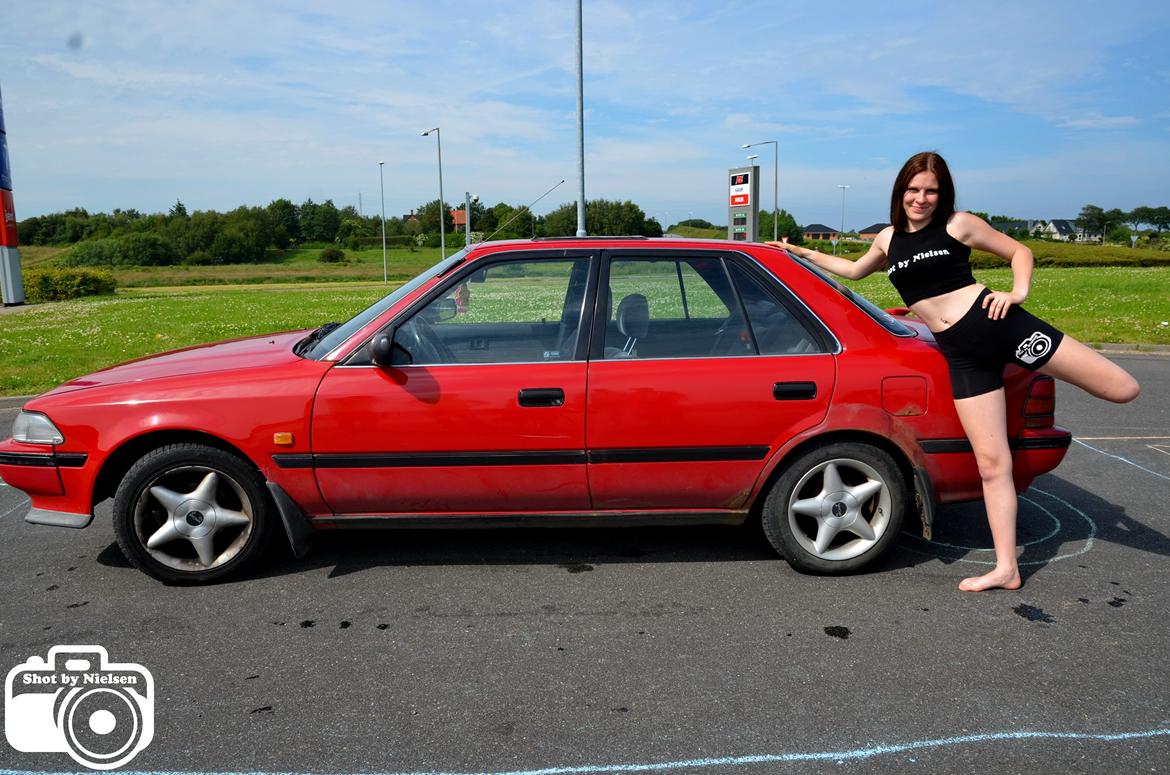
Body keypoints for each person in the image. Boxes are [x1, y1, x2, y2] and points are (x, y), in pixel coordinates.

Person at [767, 151, 1140, 592]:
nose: (921, 198)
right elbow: (854, 270)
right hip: (962, 357)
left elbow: (1019, 250)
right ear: (900, 191)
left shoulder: (959, 225)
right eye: (914, 189)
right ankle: (1007, 568)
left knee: (1123, 389)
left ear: (942, 195)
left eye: (930, 190)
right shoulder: (888, 239)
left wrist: (1017, 292)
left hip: (999, 326)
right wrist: (797, 251)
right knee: (991, 464)